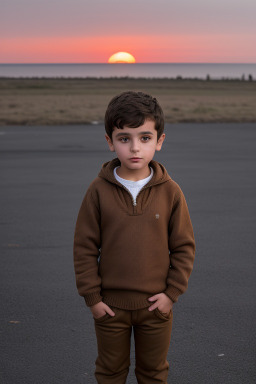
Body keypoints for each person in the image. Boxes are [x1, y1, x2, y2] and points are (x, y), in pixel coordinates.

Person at [73, 91, 195, 384]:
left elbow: (184, 247)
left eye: (145, 137)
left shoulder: (171, 192)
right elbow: (84, 247)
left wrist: (171, 294)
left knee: (153, 373)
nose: (134, 148)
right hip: (109, 308)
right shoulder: (98, 191)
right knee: (110, 372)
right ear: (109, 141)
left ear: (160, 141)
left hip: (156, 307)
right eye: (124, 138)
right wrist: (93, 298)